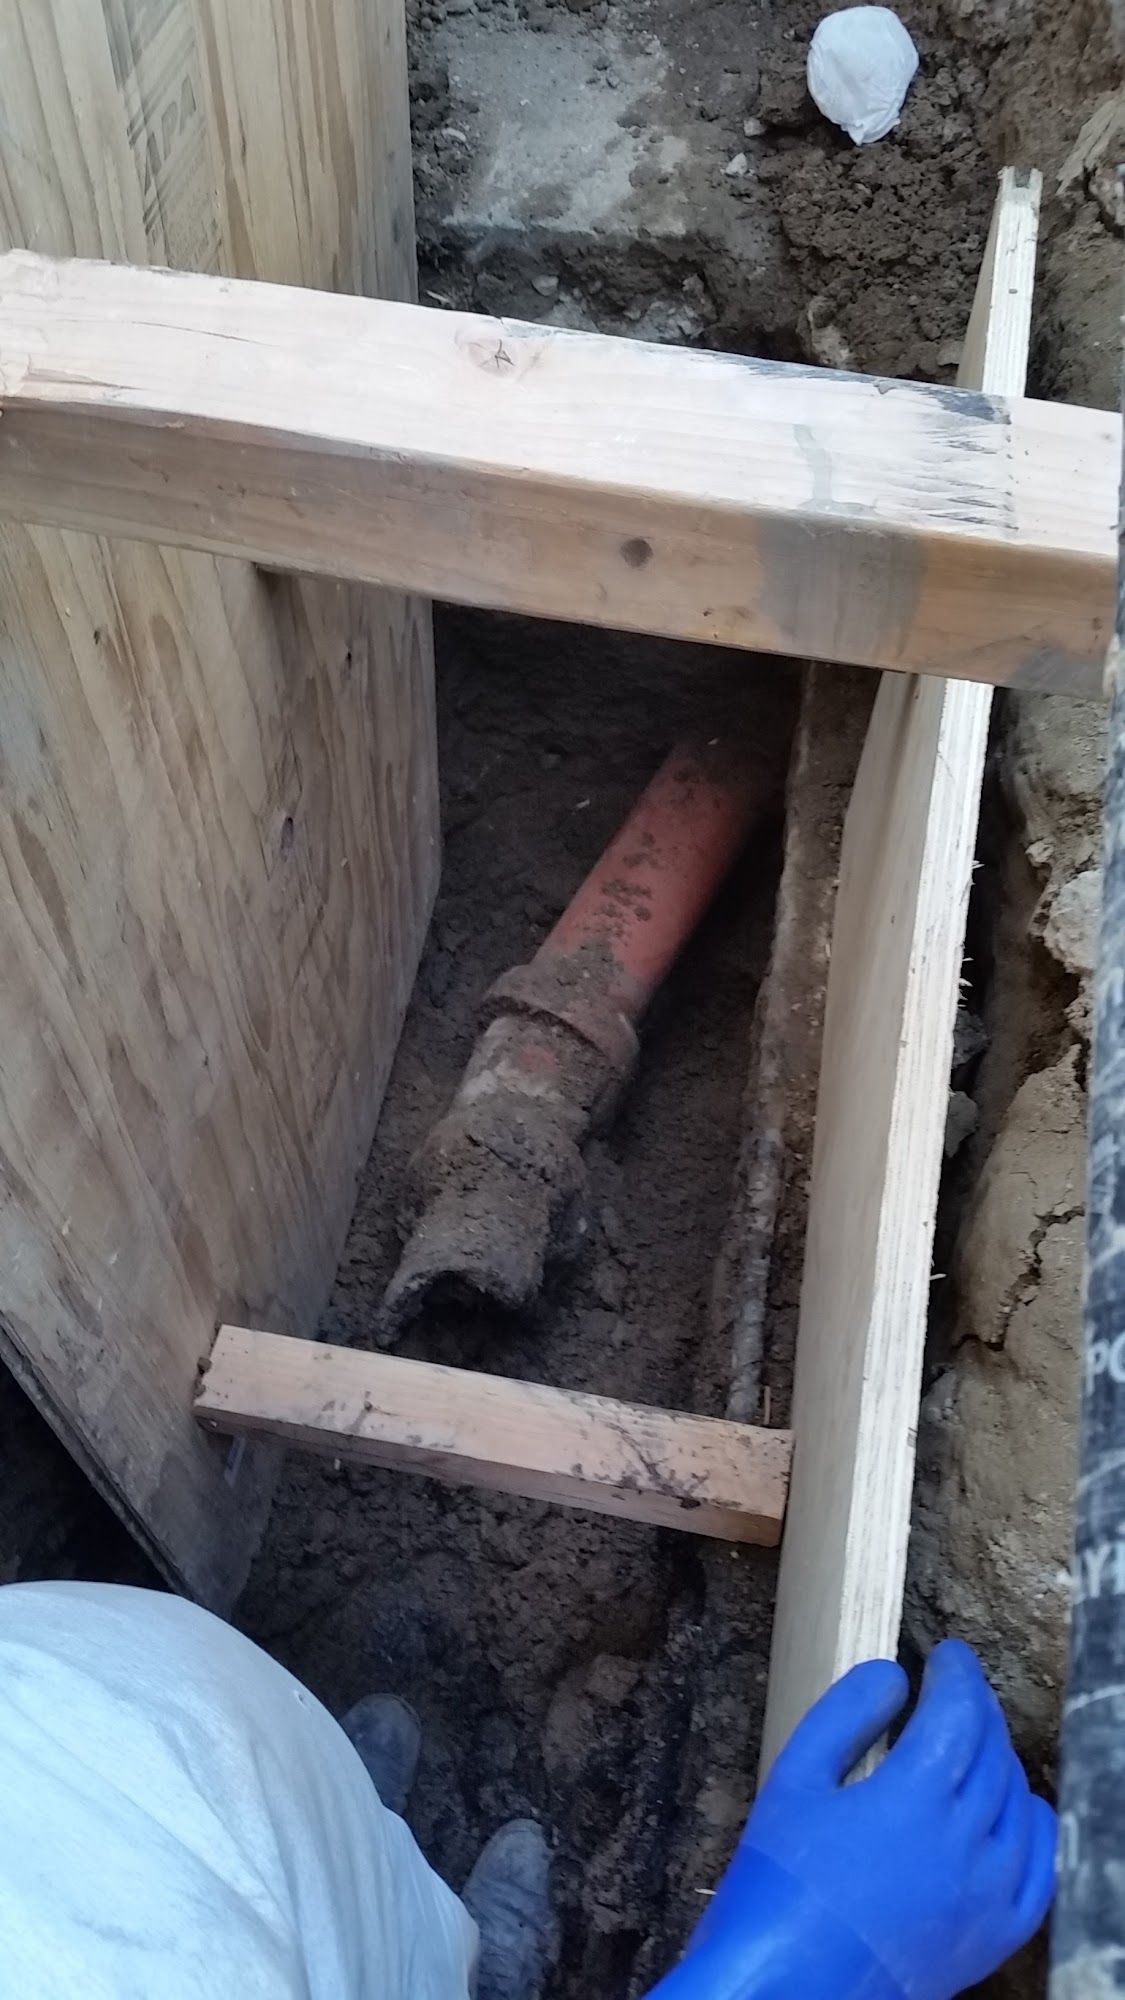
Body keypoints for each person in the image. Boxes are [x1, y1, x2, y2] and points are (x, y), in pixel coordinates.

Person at [0, 1581, 1055, 1998]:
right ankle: (460, 1972)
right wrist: (782, 1977)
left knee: (348, 1864)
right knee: (388, 1953)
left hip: (168, 1772)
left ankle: (370, 1868)